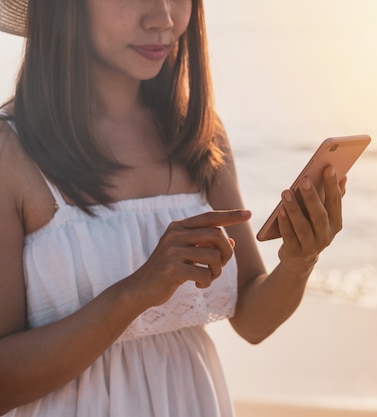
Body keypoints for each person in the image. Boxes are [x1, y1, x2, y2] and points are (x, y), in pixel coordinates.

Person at [0, 0, 346, 415]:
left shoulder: (199, 135)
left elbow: (252, 320)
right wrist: (136, 293)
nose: (163, 19)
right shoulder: (11, 151)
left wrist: (299, 261)